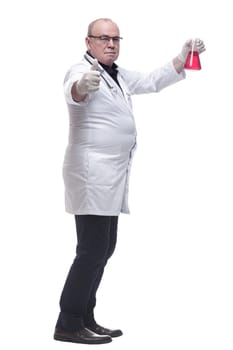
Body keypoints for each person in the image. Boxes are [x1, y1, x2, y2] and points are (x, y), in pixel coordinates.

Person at [54, 18, 206, 345]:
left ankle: (85, 317)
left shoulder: (117, 74)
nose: (111, 44)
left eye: (115, 39)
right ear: (88, 42)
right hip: (91, 173)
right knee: (91, 249)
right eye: (103, 39)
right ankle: (67, 322)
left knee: (103, 248)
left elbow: (151, 81)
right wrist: (83, 88)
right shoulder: (80, 71)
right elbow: (73, 90)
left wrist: (181, 59)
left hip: (111, 176)